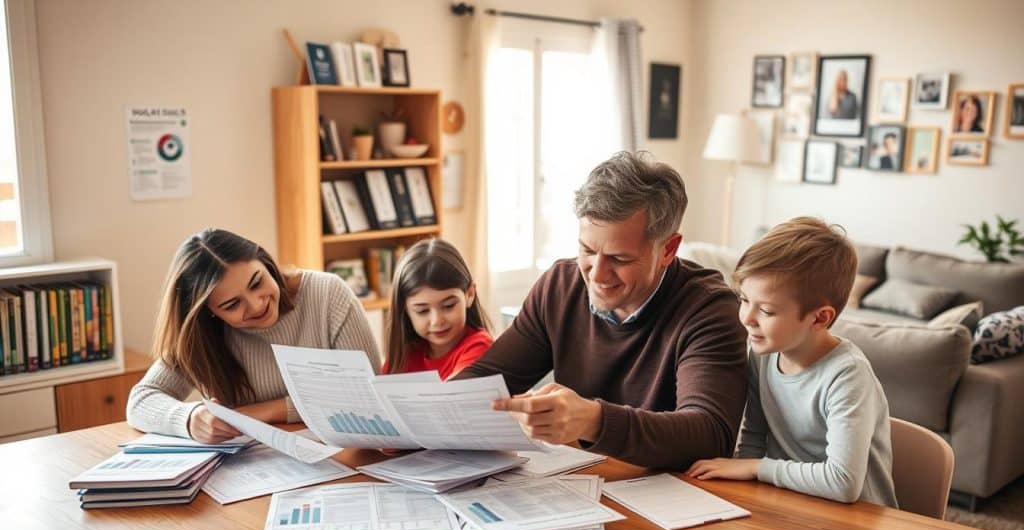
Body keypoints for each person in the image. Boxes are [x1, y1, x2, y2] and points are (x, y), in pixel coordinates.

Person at [458, 151, 748, 470]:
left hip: (672, 499)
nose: (596, 274)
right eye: (587, 250)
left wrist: (594, 421)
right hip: (584, 483)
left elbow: (710, 433)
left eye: (619, 259)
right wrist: (416, 419)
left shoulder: (710, 311)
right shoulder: (559, 287)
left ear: (668, 249)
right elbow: (485, 381)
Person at [686, 217, 898, 507]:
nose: (747, 318)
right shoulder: (763, 355)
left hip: (859, 524)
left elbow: (843, 482)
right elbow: (754, 438)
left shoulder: (847, 374)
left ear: (820, 318)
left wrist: (756, 468)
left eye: (767, 311)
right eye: (744, 299)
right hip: (792, 505)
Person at [126, 228, 381, 443]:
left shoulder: (327, 294)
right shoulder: (201, 335)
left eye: (257, 283)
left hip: (341, 456)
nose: (257, 305)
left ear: (265, 262)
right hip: (249, 472)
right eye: (232, 305)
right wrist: (190, 418)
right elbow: (140, 401)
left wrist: (263, 412)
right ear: (209, 313)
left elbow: (369, 396)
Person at [383, 238, 493, 380]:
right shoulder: (405, 354)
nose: (437, 321)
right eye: (422, 311)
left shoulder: (479, 346)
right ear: (405, 311)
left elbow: (452, 396)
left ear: (470, 294)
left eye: (448, 306)